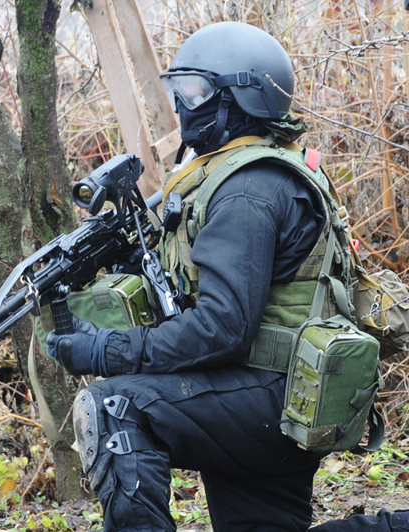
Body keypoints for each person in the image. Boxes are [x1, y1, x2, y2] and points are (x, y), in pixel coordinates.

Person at [45, 21, 408, 532]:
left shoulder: (247, 191)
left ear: (242, 96)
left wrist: (109, 350)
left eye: (195, 89)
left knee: (115, 406)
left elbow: (223, 328)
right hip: (283, 398)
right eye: (179, 90)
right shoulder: (261, 170)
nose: (183, 104)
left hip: (266, 396)